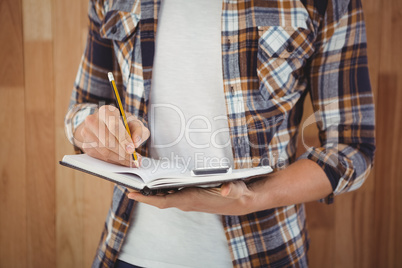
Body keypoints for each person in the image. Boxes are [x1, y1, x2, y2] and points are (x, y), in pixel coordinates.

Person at [64, 0, 375, 267]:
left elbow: (352, 149)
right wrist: (92, 129)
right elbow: (84, 107)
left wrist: (252, 197)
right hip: (129, 251)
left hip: (267, 251)